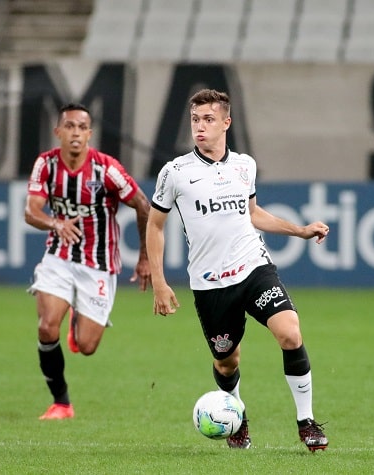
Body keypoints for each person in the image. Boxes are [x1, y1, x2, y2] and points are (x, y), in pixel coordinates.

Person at [146, 89, 329, 451]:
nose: (200, 126)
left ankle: (306, 421)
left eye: (209, 119)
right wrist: (159, 282)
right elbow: (154, 226)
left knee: (290, 333)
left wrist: (300, 230)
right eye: (196, 120)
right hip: (210, 284)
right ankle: (237, 417)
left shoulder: (245, 165)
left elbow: (253, 213)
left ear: (226, 123)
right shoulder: (176, 173)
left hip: (253, 268)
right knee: (227, 362)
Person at [25, 103, 151, 420]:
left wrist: (145, 258)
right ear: (58, 132)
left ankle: (77, 320)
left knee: (87, 345)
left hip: (98, 261)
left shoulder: (106, 169)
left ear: (89, 134)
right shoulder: (46, 165)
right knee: (45, 327)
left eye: (82, 127)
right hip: (59, 255)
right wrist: (55, 223)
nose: (76, 133)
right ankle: (62, 403)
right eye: (69, 126)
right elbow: (31, 211)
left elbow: (143, 205)